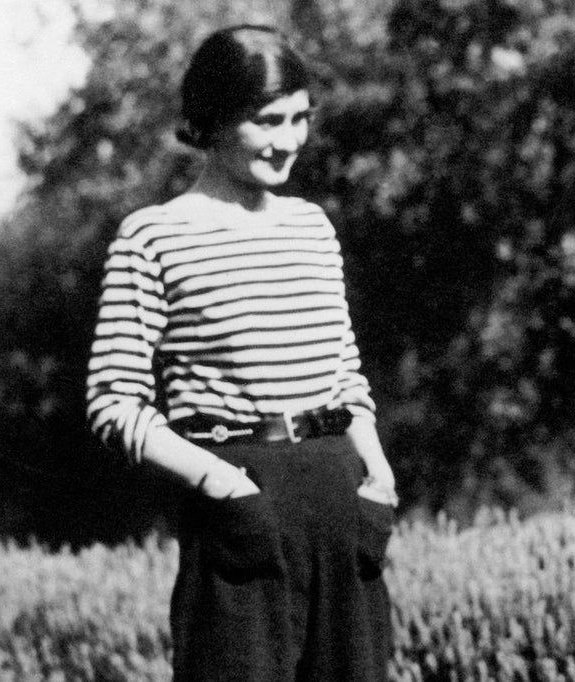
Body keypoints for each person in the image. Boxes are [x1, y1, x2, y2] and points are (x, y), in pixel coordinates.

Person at [85, 25, 397, 681]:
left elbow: (345, 373)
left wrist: (378, 474)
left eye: (300, 119)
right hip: (238, 500)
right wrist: (219, 483)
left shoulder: (311, 227)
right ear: (215, 119)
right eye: (267, 121)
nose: (289, 140)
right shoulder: (152, 237)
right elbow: (114, 401)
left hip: (339, 493)